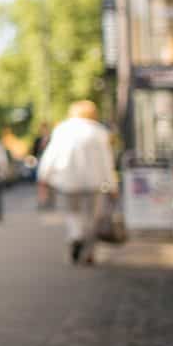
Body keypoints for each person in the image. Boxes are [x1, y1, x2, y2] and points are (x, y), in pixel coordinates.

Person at [37, 101, 117, 265]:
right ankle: (89, 253)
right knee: (92, 217)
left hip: (68, 181)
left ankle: (75, 236)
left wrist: (43, 178)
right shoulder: (99, 132)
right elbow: (106, 161)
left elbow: (50, 156)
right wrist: (113, 185)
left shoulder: (63, 130)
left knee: (72, 213)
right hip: (94, 182)